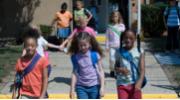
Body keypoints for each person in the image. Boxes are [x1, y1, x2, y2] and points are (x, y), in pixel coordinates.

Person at [12, 28, 49, 99]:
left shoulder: (43, 60)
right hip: (24, 94)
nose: (30, 48)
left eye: (32, 45)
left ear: (36, 46)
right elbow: (17, 78)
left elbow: (45, 79)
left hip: (39, 94)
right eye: (27, 45)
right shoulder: (20, 61)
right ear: (24, 46)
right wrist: (14, 93)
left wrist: (42, 96)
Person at [68, 33, 105, 99]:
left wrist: (102, 87)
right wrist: (72, 89)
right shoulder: (75, 57)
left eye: (85, 45)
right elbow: (74, 73)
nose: (82, 47)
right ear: (77, 45)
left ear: (89, 44)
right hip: (81, 87)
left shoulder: (95, 55)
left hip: (95, 86)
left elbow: (101, 71)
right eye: (80, 45)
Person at [115, 30, 145, 99]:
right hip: (122, 84)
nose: (128, 40)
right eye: (126, 38)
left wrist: (139, 82)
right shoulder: (119, 51)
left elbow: (142, 70)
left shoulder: (140, 51)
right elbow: (115, 68)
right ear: (122, 39)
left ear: (135, 39)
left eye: (131, 38)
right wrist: (120, 70)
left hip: (135, 84)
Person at [105, 11, 125, 77]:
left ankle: (117, 72)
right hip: (112, 46)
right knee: (112, 59)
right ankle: (112, 70)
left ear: (119, 17)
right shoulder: (109, 27)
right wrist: (107, 46)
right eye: (113, 16)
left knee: (118, 59)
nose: (114, 18)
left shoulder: (121, 26)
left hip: (119, 46)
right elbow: (107, 37)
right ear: (111, 17)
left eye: (116, 16)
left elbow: (124, 32)